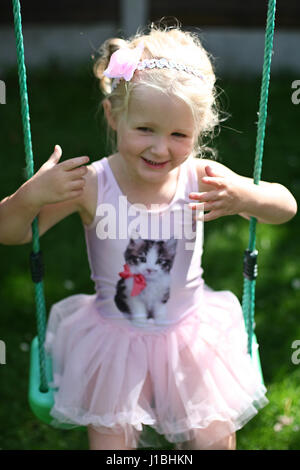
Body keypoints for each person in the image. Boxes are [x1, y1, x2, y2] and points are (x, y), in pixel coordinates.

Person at [0, 23, 297, 451]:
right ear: (113, 116)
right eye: (145, 130)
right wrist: (29, 197)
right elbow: (10, 233)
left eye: (179, 135)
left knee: (215, 442)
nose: (161, 149)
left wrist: (245, 195)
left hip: (190, 334)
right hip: (112, 338)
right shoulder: (90, 184)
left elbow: (285, 205)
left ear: (199, 134)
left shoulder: (201, 176)